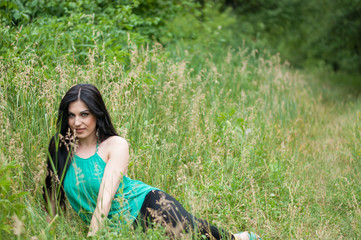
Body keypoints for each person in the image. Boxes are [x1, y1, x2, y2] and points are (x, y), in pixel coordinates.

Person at [43, 83, 261, 240]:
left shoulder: (115, 145)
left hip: (148, 207)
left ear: (97, 115)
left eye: (84, 114)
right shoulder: (60, 147)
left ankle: (237, 238)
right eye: (71, 115)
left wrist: (93, 235)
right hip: (116, 231)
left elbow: (104, 199)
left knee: (195, 232)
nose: (77, 122)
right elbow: (52, 197)